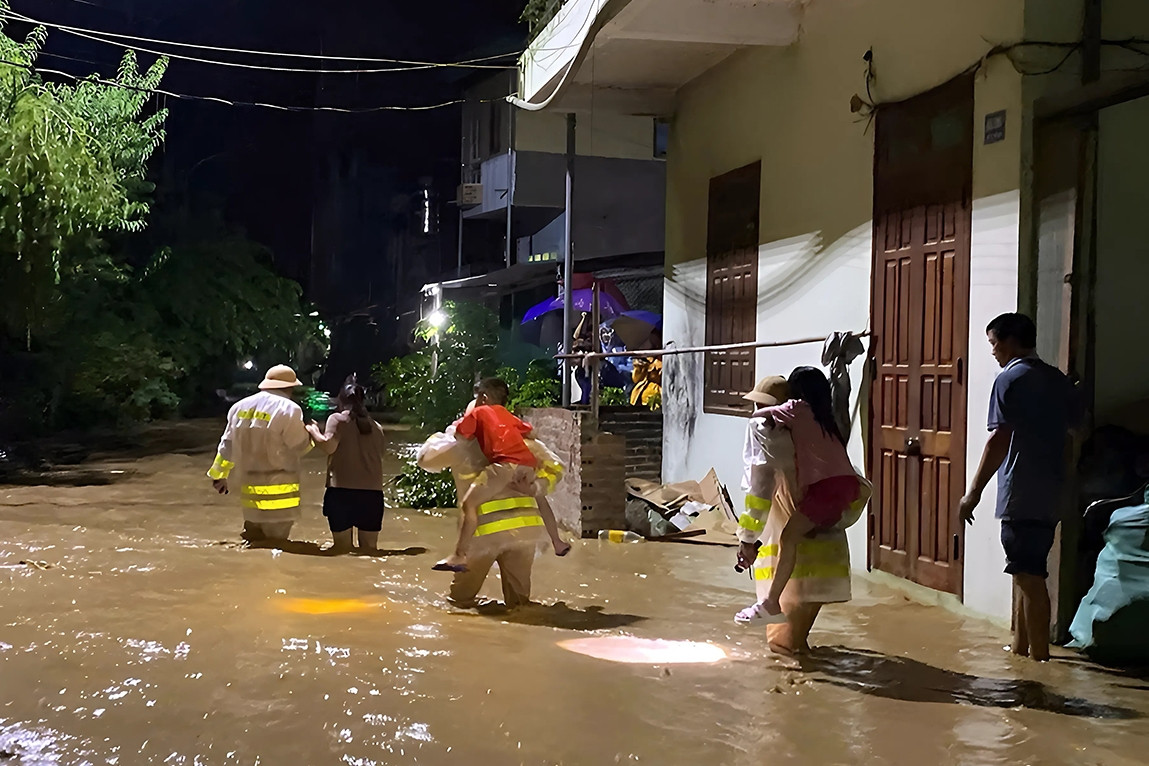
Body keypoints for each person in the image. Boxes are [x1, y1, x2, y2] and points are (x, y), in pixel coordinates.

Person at [959, 312, 1080, 662]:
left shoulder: (1009, 380)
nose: (993, 351)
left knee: (1029, 576)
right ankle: (1020, 648)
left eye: (994, 343)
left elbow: (998, 441)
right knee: (1025, 569)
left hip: (1021, 491)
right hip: (1051, 490)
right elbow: (1075, 434)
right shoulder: (1058, 380)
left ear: (1011, 341)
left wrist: (973, 493)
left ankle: (1039, 662)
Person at [733, 376, 860, 655]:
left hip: (796, 565)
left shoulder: (772, 439)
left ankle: (795, 690)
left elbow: (758, 497)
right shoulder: (819, 429)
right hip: (828, 547)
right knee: (796, 643)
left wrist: (746, 538)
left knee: (783, 646)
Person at [752, 367, 868, 620]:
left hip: (824, 491)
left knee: (788, 538)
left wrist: (746, 537)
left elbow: (760, 418)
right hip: (844, 488)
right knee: (804, 529)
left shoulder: (795, 412)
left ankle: (771, 602)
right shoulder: (824, 416)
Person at [433, 379, 570, 572]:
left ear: (483, 397)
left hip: (505, 465)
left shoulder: (478, 412)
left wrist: (461, 426)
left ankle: (459, 555)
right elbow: (531, 431)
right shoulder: (507, 415)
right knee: (539, 497)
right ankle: (557, 542)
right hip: (527, 464)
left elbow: (460, 435)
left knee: (468, 504)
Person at [207, 364, 312, 543]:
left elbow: (227, 445)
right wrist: (312, 434)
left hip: (250, 495)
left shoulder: (239, 408)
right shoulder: (289, 409)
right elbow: (300, 446)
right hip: (281, 497)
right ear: (289, 387)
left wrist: (219, 475)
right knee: (277, 545)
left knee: (252, 540)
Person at [305, 374, 388, 553]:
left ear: (340, 400)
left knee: (342, 551)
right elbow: (379, 456)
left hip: (342, 494)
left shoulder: (337, 419)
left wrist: (313, 430)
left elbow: (328, 446)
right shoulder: (377, 427)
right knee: (370, 551)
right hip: (372, 496)